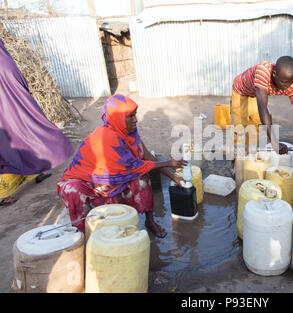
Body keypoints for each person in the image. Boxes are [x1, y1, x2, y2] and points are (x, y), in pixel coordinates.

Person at [57, 94, 187, 238]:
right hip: (88, 182)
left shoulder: (130, 134)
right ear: (118, 118)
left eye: (135, 115)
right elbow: (134, 167)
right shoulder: (106, 137)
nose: (135, 120)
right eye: (130, 116)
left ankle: (150, 221)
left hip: (112, 180)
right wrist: (168, 162)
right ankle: (85, 236)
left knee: (142, 178)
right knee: (72, 190)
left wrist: (173, 176)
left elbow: (148, 157)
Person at [0, 38, 74, 206]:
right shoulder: (4, 58)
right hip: (17, 107)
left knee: (15, 143)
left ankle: (36, 173)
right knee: (27, 136)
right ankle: (8, 190)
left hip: (9, 111)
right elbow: (18, 79)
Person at [231, 56, 293, 156]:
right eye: (283, 82)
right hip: (241, 91)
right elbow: (263, 108)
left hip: (255, 94)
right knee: (240, 127)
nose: (287, 86)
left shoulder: (291, 87)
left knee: (255, 127)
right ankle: (235, 160)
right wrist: (274, 142)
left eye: (291, 82)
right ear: (274, 74)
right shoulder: (263, 72)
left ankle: (248, 155)